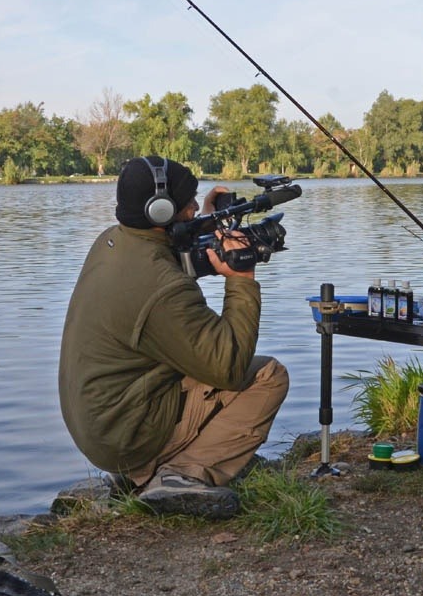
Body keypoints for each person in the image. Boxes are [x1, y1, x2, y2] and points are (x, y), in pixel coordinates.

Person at [59, 156, 289, 519]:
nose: (196, 206)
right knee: (267, 376)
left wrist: (207, 223)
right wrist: (241, 277)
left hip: (99, 422)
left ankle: (141, 471)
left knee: (190, 358)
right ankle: (180, 476)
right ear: (161, 210)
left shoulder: (113, 242)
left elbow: (170, 264)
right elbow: (228, 366)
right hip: (125, 434)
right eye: (189, 203)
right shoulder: (161, 289)